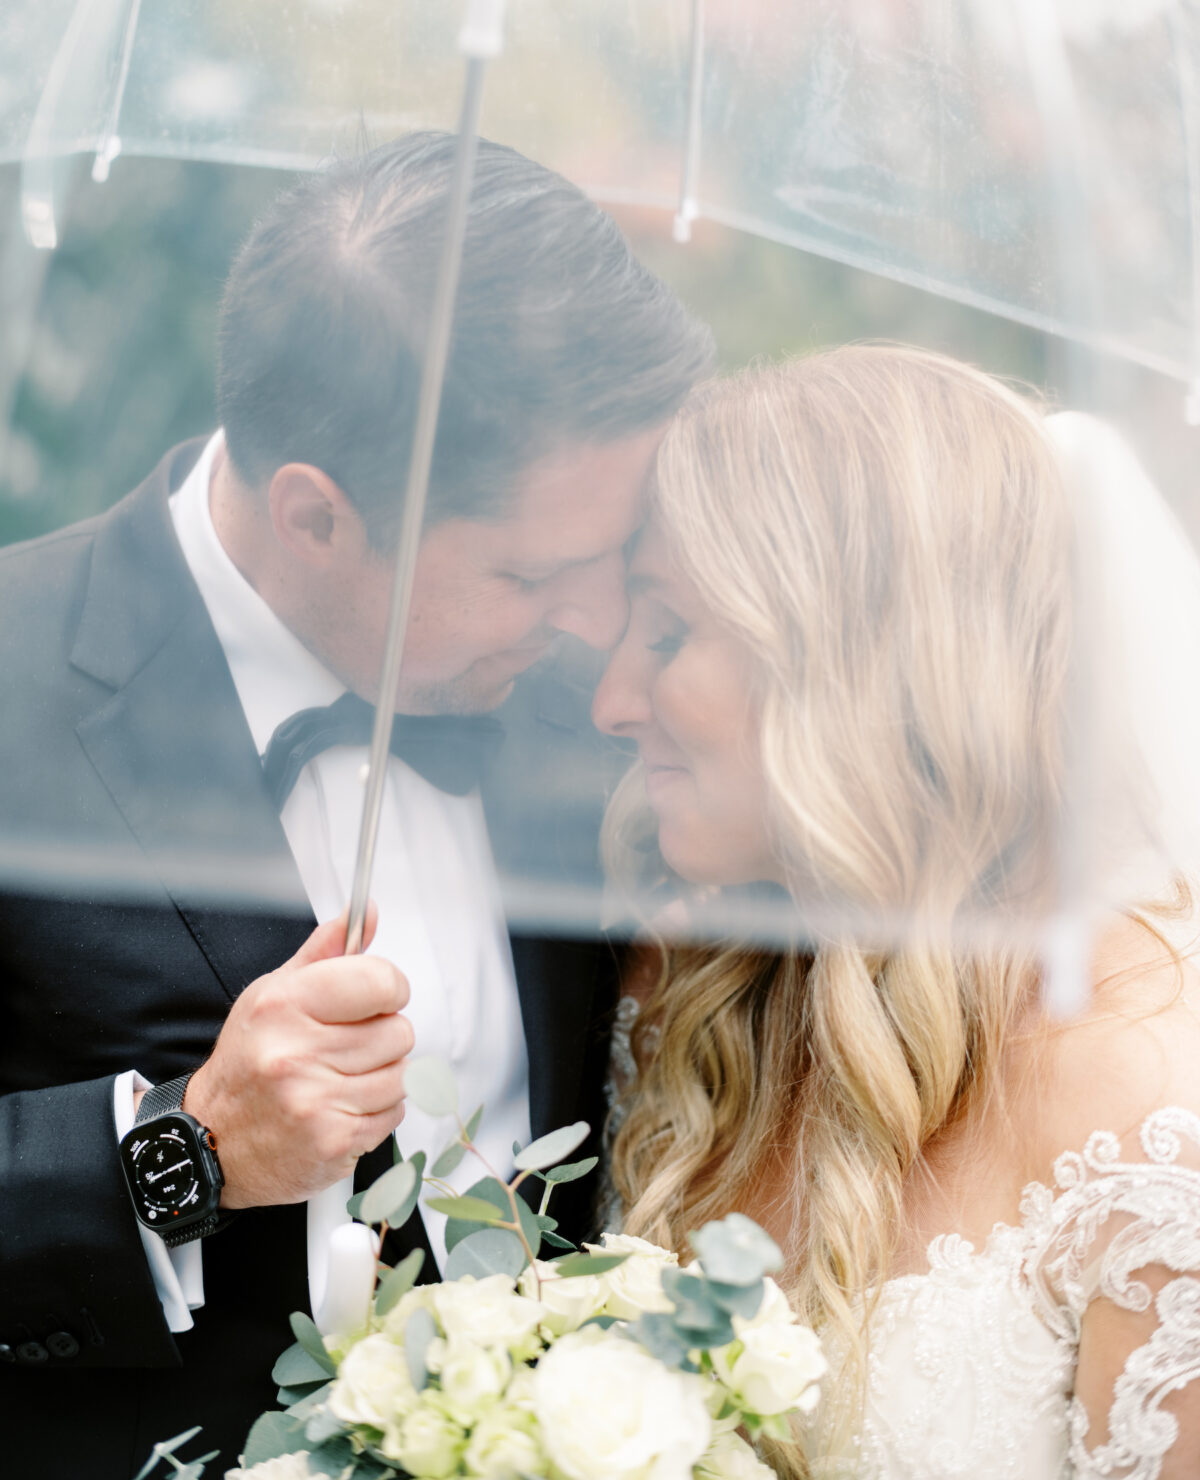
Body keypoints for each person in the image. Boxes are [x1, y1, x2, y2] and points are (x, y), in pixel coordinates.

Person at [0, 131, 712, 1476]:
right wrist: (181, 1150)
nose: (596, 623)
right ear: (316, 514)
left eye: (609, 560)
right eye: (534, 574)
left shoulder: (612, 706)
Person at [592, 345, 1200, 1478]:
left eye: (669, 634)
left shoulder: (1150, 1115)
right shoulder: (691, 984)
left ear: (858, 661)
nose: (611, 702)